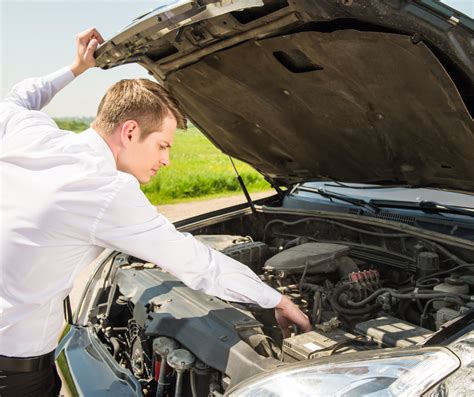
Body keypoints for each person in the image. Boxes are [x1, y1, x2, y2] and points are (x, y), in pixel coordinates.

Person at [0, 28, 311, 396]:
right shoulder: (105, 191)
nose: (166, 160)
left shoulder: (26, 130)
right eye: (163, 145)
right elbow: (198, 263)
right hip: (15, 373)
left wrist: (76, 68)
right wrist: (275, 298)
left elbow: (21, 96)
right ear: (130, 132)